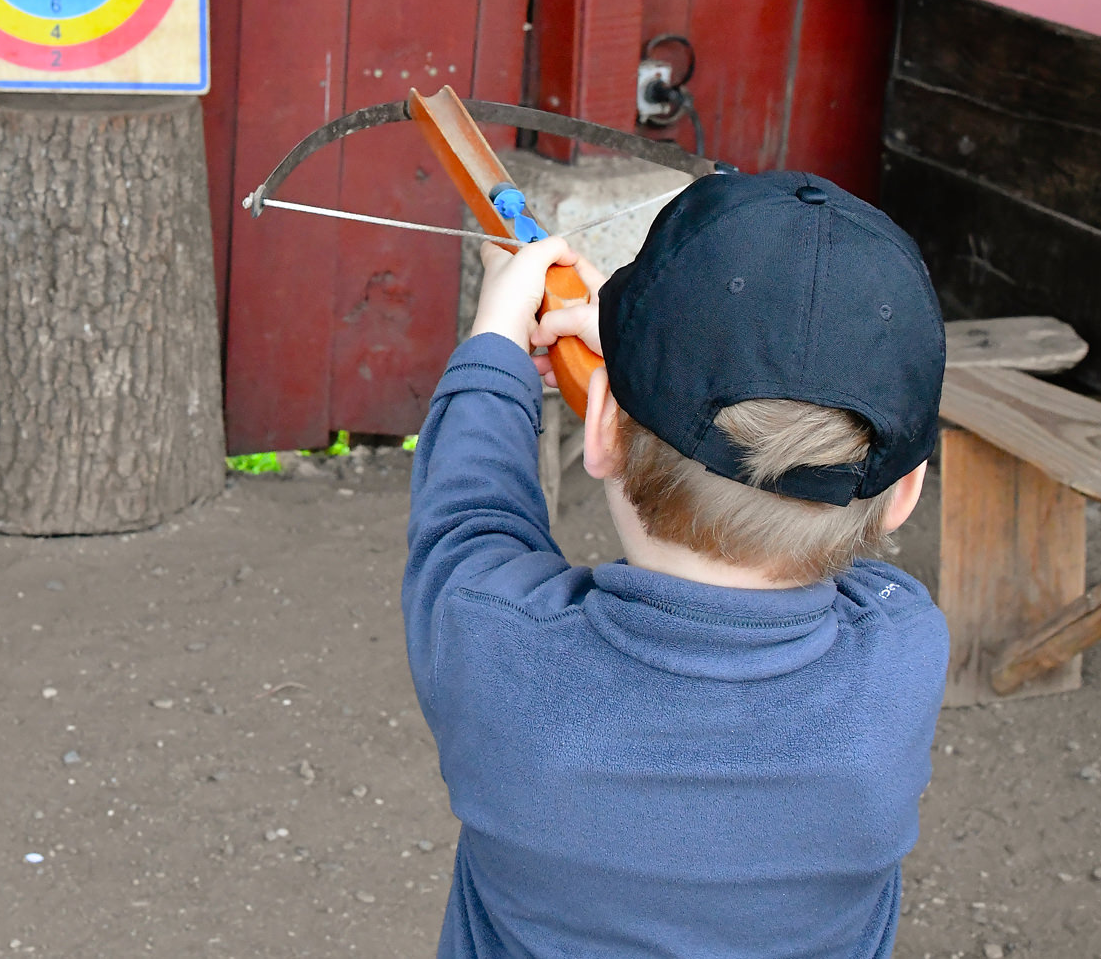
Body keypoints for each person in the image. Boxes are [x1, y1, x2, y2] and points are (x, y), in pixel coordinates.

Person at [403, 169, 950, 959]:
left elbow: (467, 517)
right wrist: (637, 372)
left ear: (601, 434)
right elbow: (857, 580)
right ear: (903, 494)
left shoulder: (500, 646)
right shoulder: (902, 650)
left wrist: (498, 344)